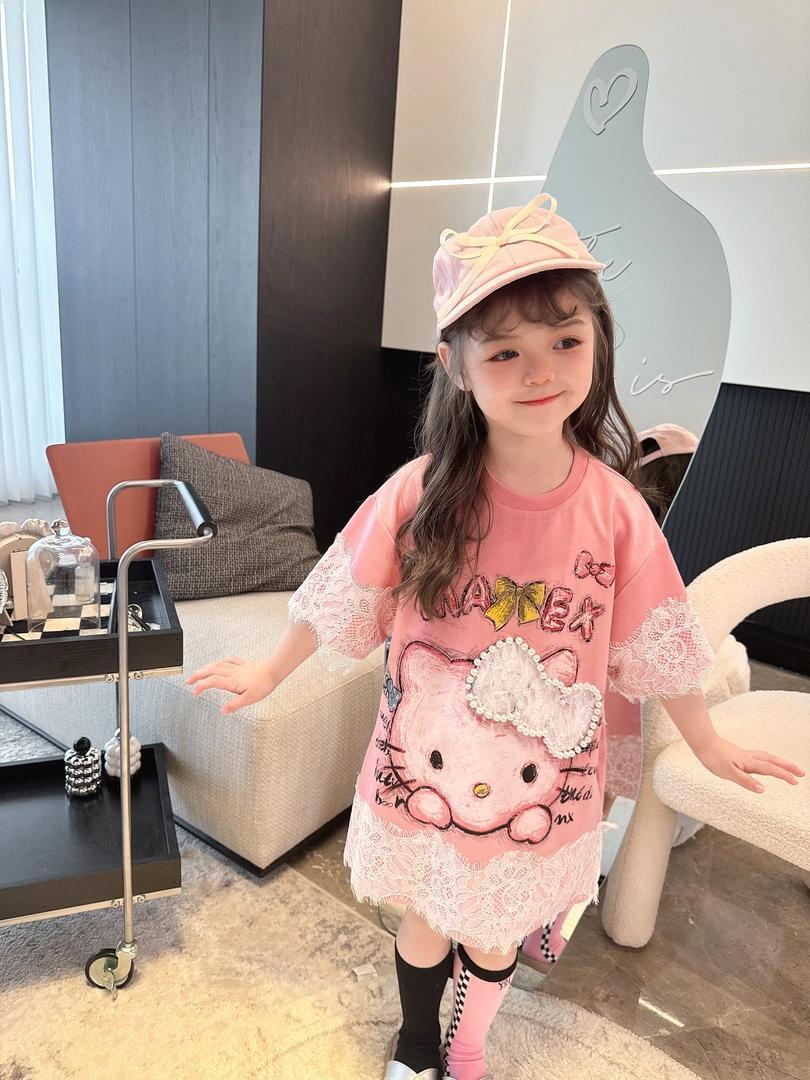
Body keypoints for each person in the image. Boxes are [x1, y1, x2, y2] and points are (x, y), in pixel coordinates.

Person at [186, 192, 805, 1080]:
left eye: (565, 341)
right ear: (456, 364)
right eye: (505, 350)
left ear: (598, 342)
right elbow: (345, 587)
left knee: (495, 933)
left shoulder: (616, 510)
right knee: (426, 919)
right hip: (427, 775)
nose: (539, 371)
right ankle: (415, 1045)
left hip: (540, 786)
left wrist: (706, 741)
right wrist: (270, 672)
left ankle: (468, 1044)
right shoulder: (421, 491)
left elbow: (656, 637)